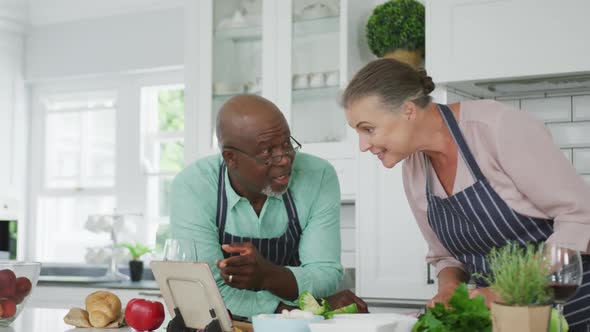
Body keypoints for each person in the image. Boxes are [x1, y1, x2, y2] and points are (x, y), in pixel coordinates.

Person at [341, 58, 590, 331]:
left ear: (408, 111)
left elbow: (578, 215)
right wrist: (448, 291)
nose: (364, 145)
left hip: (574, 308)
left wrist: (502, 292)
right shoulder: (415, 167)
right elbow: (445, 256)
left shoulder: (496, 127)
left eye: (368, 129)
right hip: (505, 320)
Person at [170, 94, 367, 318]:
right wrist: (288, 308)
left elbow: (326, 274)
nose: (284, 159)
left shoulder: (318, 175)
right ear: (230, 158)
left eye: (287, 144)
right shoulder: (194, 186)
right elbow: (204, 290)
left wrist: (268, 276)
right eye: (267, 152)